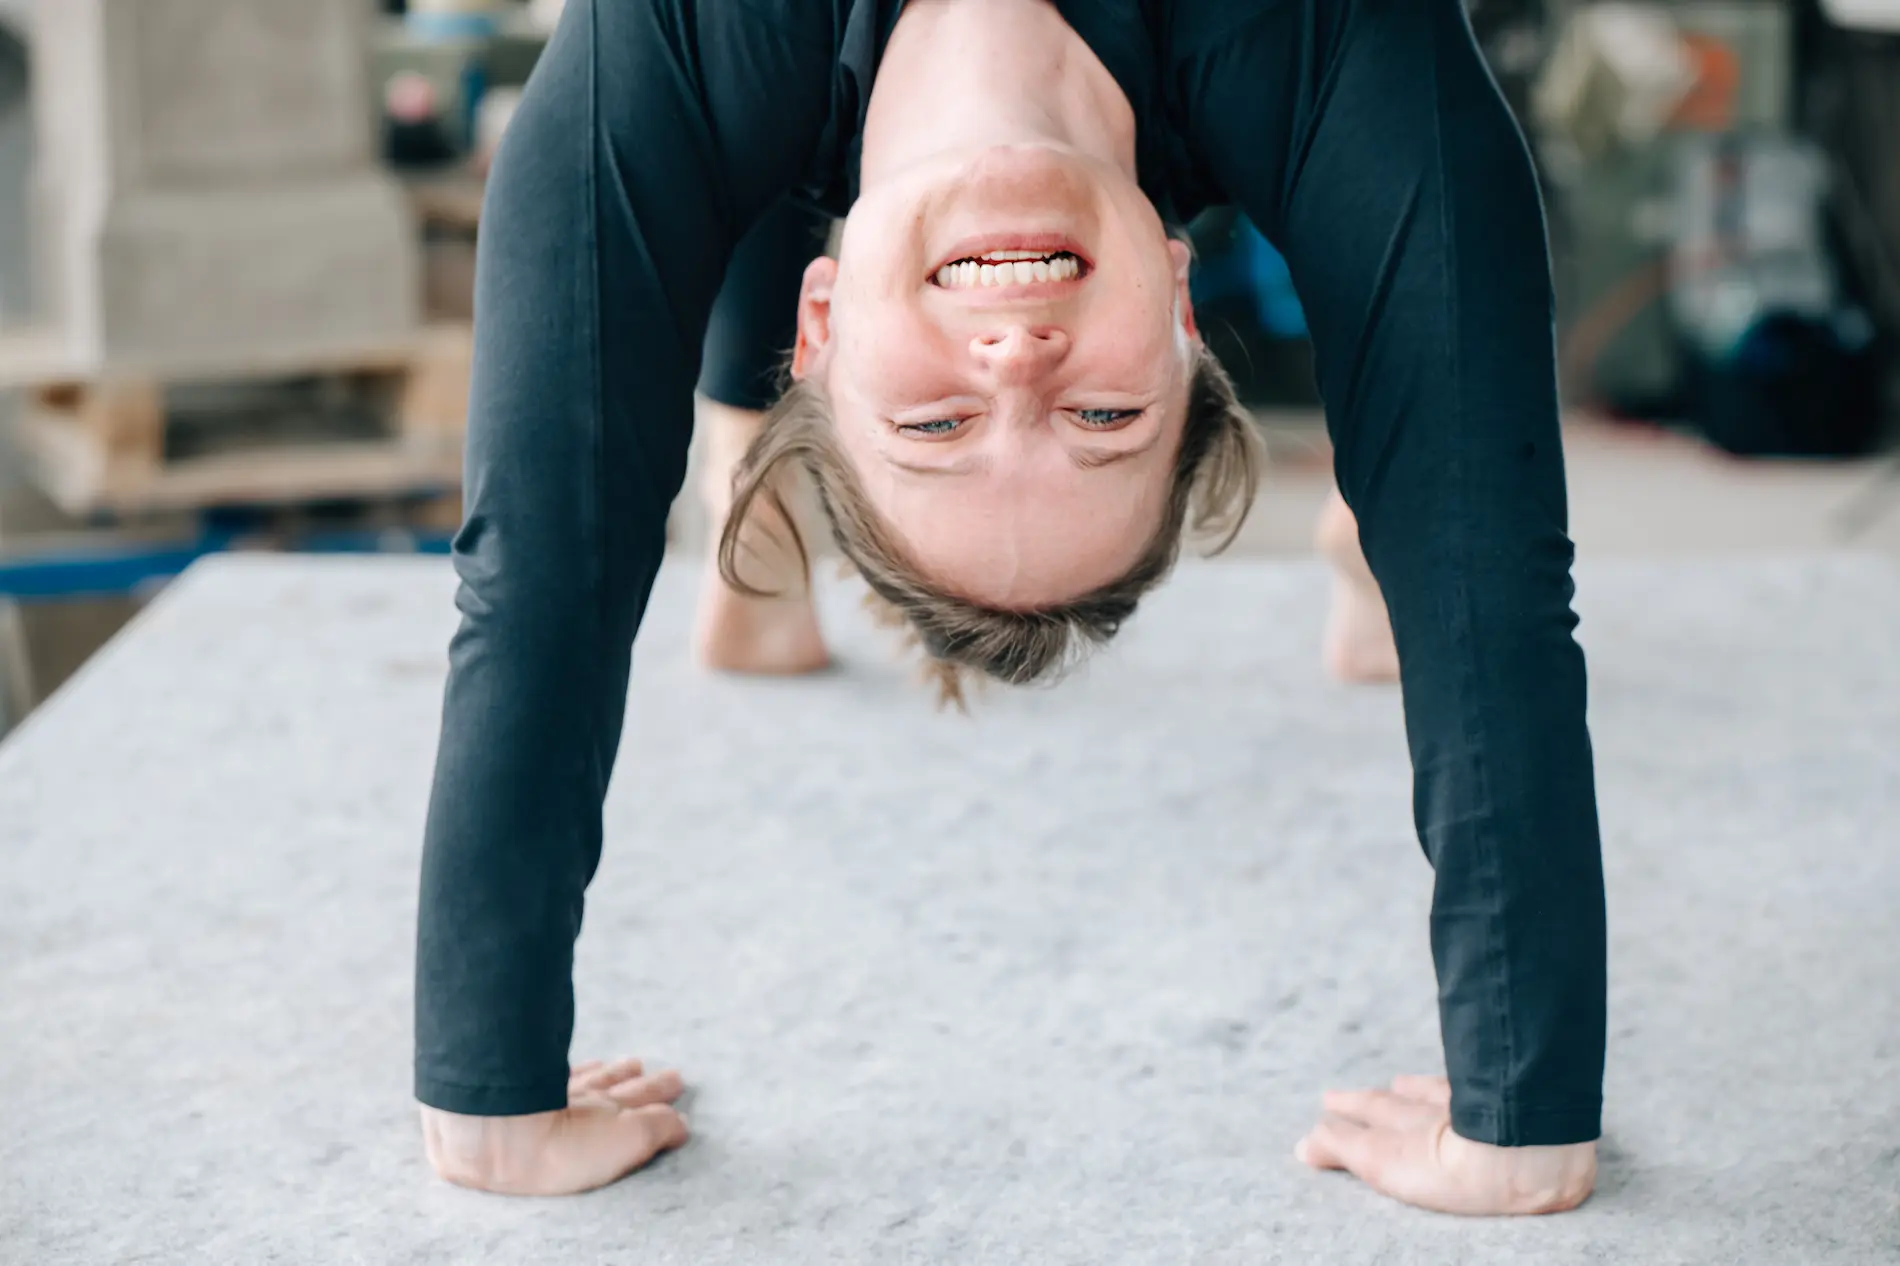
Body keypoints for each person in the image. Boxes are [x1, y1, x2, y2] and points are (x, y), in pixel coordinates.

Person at [416, 0, 1607, 1216]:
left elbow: (546, 561)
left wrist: (488, 1095)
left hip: (758, 96)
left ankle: (761, 518)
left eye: (936, 429)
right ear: (1186, 324)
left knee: (764, 158)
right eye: (1107, 417)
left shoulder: (685, 38)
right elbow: (1483, 572)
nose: (1017, 360)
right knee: (1419, 487)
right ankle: (1364, 545)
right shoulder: (1327, 36)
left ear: (809, 332)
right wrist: (1522, 1113)